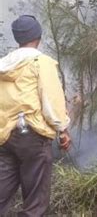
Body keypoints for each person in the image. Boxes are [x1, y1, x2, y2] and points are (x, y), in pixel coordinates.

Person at [0, 15, 71, 217]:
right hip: (31, 135)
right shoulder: (41, 62)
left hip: (4, 136)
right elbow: (51, 101)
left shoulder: (3, 64)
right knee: (35, 202)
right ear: (38, 36)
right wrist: (63, 130)